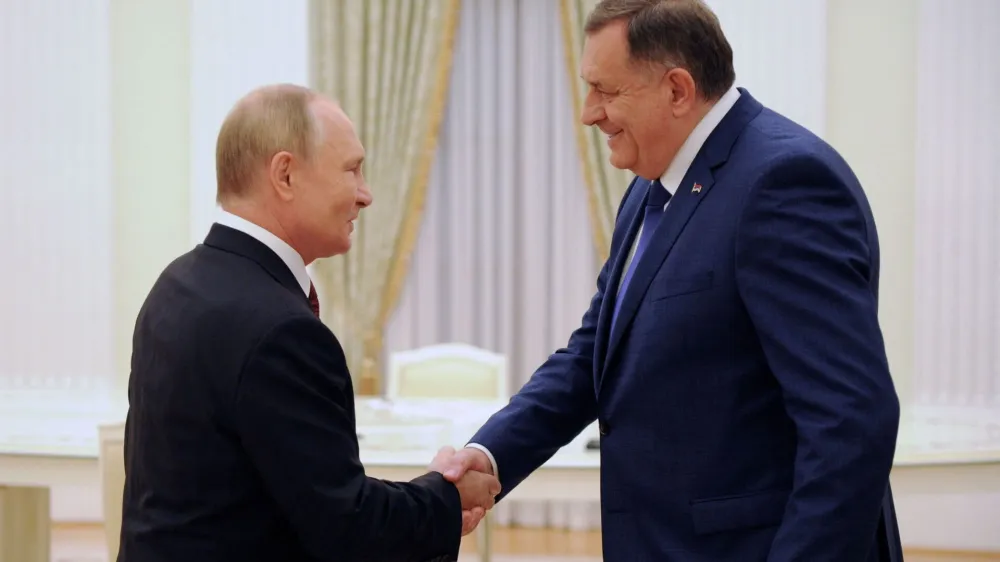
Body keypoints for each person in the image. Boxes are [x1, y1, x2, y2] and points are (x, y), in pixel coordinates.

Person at [442, 1, 903, 560]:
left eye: (605, 91)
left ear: (678, 89)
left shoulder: (782, 183)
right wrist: (490, 455)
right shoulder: (649, 187)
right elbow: (596, 355)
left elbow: (850, 423)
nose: (589, 113)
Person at [118, 84, 500, 562]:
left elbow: (286, 488)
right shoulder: (279, 329)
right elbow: (347, 528)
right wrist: (446, 497)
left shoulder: (176, 284)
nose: (366, 195)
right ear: (285, 175)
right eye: (352, 169)